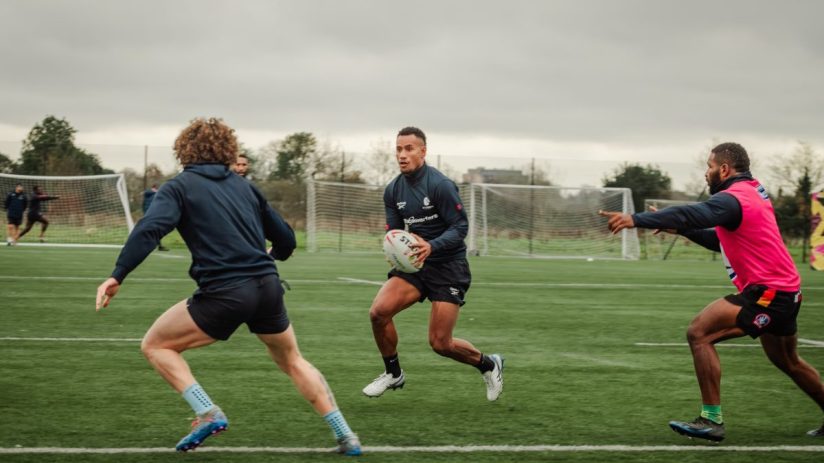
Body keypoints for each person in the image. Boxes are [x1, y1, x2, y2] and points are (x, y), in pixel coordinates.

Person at [95, 117, 362, 455]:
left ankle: (207, 412)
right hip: (268, 287)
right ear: (227, 149)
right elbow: (287, 240)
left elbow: (150, 229)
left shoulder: (179, 187)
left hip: (226, 293)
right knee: (292, 359)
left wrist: (118, 274)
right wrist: (271, 255)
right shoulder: (245, 187)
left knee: (156, 345)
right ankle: (346, 435)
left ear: (184, 149)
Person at [599, 142, 824, 441]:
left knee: (700, 332)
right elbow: (718, 241)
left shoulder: (733, 198)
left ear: (724, 169)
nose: (706, 173)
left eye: (709, 166)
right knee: (789, 362)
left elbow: (693, 214)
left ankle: (711, 420)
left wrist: (636, 219)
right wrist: (676, 228)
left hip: (768, 293)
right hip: (784, 291)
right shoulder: (750, 192)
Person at [362, 126, 504, 401]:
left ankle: (489, 364)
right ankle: (393, 373)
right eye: (398, 149)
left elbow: (460, 226)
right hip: (415, 265)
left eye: (409, 149)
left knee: (440, 344)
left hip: (448, 266)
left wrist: (432, 245)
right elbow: (394, 231)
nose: (402, 155)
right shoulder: (393, 190)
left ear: (423, 151)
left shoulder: (439, 185)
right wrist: (392, 248)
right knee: (378, 313)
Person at [142, 184, 169, 251]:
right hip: (150, 214)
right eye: (156, 189)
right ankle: (146, 245)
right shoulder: (149, 193)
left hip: (154, 214)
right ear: (153, 188)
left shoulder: (156, 195)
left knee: (156, 229)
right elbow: (146, 193)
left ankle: (159, 245)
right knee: (151, 230)